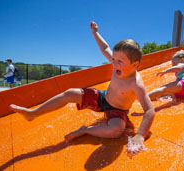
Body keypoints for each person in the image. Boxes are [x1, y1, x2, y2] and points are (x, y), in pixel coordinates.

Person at [10, 21, 155, 153]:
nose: (114, 64)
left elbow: (149, 110)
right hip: (102, 97)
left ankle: (86, 130)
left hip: (117, 110)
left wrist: (140, 136)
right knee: (70, 93)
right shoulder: (117, 64)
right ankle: (33, 113)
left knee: (117, 130)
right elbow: (105, 48)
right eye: (113, 59)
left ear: (135, 65)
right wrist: (95, 33)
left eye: (119, 62)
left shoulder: (136, 84)